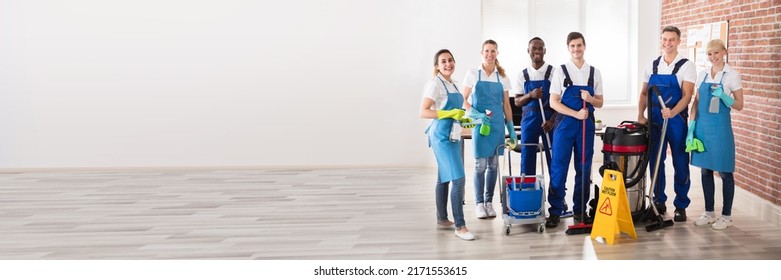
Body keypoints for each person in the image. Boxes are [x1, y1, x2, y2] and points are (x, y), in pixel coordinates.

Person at [637, 26, 696, 222]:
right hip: (654, 121)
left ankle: (681, 205)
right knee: (655, 162)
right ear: (661, 40)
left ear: (678, 41)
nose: (667, 43)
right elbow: (644, 93)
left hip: (676, 121)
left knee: (680, 162)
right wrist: (640, 114)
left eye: (671, 40)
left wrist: (672, 112)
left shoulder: (686, 65)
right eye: (664, 39)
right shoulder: (652, 65)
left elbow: (687, 96)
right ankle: (658, 201)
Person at [545, 32, 604, 228]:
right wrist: (575, 113)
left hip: (586, 125)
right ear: (568, 48)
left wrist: (591, 99)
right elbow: (554, 102)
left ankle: (580, 210)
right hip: (564, 124)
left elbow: (600, 102)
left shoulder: (594, 72)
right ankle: (555, 211)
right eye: (572, 46)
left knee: (584, 167)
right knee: (559, 167)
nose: (576, 49)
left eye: (579, 45)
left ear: (584, 46)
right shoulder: (561, 71)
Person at [419, 49, 475, 241]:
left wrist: (472, 121)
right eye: (443, 61)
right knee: (458, 179)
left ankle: (442, 218)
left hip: (454, 134)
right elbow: (424, 112)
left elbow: (459, 112)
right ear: (437, 66)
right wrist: (448, 114)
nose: (448, 64)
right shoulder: (434, 84)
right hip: (441, 137)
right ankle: (460, 226)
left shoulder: (455, 84)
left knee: (444, 177)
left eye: (450, 60)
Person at [689, 39, 744, 230]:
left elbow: (739, 105)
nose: (713, 57)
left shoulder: (732, 76)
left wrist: (724, 96)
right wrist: (691, 126)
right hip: (702, 127)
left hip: (720, 129)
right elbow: (696, 102)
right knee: (705, 170)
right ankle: (709, 212)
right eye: (709, 54)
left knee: (725, 171)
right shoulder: (702, 74)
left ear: (724, 52)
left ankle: (726, 215)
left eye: (716, 53)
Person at [462, 40, 517, 219]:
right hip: (480, 124)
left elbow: (506, 105)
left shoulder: (502, 77)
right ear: (482, 52)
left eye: (493, 51)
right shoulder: (473, 74)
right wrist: (476, 115)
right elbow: (462, 100)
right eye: (487, 51)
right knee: (480, 165)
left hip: (496, 126)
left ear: (497, 53)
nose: (490, 54)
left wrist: (511, 128)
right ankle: (479, 203)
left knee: (493, 165)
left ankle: (489, 202)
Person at [511, 37, 556, 177]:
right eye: (534, 48)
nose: (537, 51)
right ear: (528, 51)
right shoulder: (522, 75)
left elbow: (559, 100)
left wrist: (553, 121)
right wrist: (530, 94)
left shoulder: (554, 73)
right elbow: (517, 102)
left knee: (554, 156)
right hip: (529, 120)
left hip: (548, 120)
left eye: (540, 48)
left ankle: (556, 196)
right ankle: (527, 191)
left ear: (545, 50)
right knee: (527, 156)